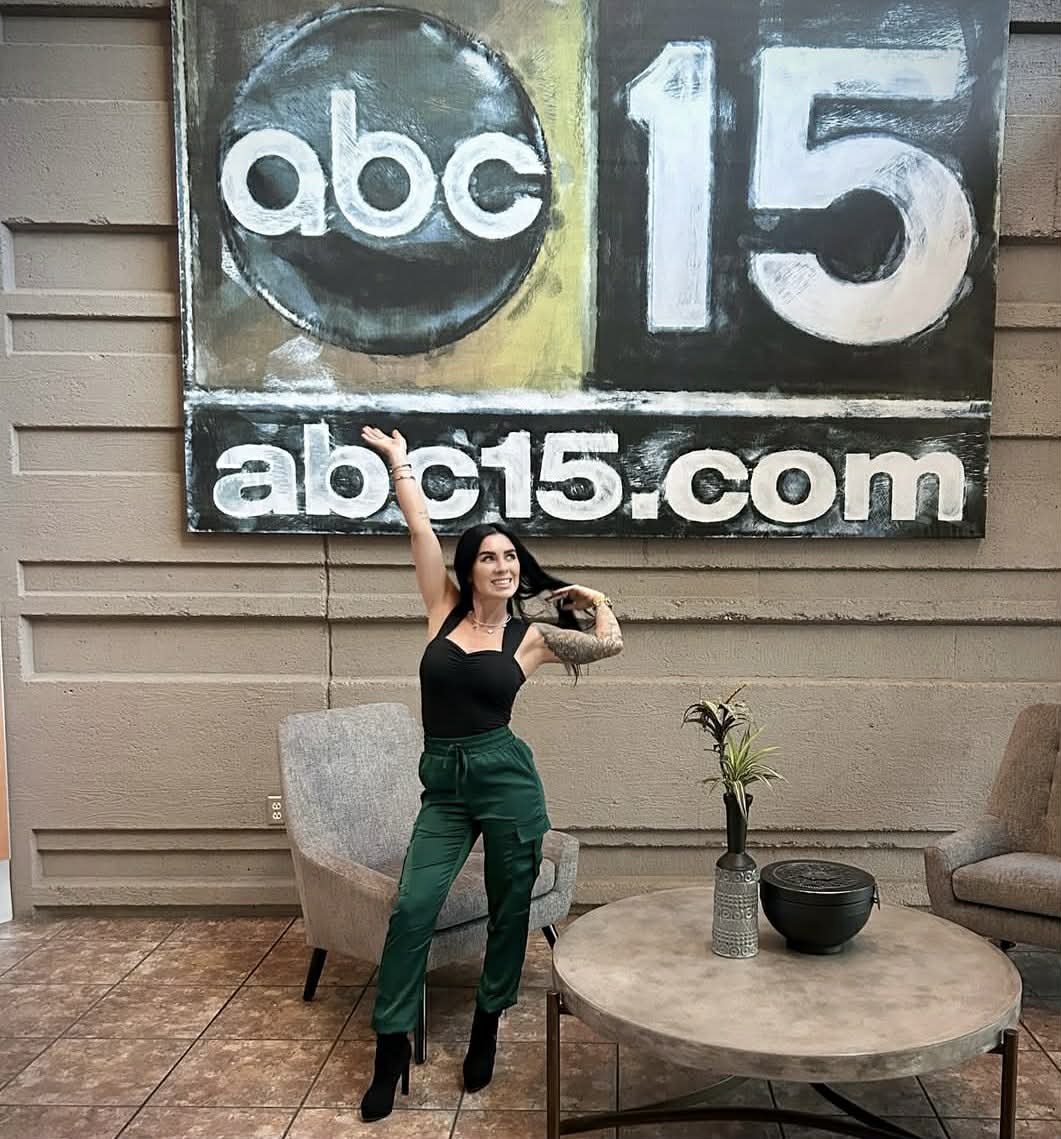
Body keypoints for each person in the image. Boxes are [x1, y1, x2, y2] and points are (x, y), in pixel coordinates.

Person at [357, 424, 624, 1122]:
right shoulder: (441, 609)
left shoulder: (531, 636)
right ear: (469, 566)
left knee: (510, 912)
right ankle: (389, 1050)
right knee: (413, 906)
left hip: (506, 779)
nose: (503, 565)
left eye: (511, 557)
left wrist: (590, 595)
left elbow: (610, 642)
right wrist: (399, 464)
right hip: (443, 785)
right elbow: (418, 528)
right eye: (490, 556)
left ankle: (485, 1022)